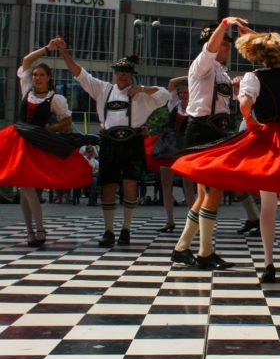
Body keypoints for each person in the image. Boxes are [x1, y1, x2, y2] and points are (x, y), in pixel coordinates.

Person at [172, 30, 280, 282]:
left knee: (254, 201)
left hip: (256, 136)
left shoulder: (246, 76)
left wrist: (247, 117)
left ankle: (261, 261)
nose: (229, 47)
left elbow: (243, 103)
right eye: (224, 44)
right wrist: (258, 36)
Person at [57, 39, 169, 247]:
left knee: (130, 185)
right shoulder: (103, 89)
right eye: (119, 71)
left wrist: (143, 88)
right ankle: (108, 231)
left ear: (132, 74)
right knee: (107, 187)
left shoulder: (142, 95)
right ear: (114, 73)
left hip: (132, 142)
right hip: (109, 142)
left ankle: (126, 229)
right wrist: (64, 53)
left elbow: (165, 94)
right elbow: (79, 73)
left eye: (126, 71)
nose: (123, 75)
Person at [0, 39, 92, 246]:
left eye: (41, 75)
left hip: (35, 143)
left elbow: (66, 121)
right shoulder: (27, 90)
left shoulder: (55, 98)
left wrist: (50, 129)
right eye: (35, 75)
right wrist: (48, 49)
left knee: (27, 188)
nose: (37, 78)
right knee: (24, 188)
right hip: (18, 140)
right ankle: (32, 231)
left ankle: (38, 230)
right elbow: (26, 60)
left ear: (49, 78)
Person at [170, 18, 245, 271]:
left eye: (227, 44)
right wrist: (224, 24)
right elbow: (210, 50)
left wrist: (235, 88)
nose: (227, 47)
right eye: (224, 43)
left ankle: (181, 249)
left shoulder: (220, 71)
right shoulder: (202, 63)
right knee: (213, 193)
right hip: (202, 131)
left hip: (216, 132)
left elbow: (222, 99)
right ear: (210, 44)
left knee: (205, 196)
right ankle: (205, 253)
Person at [150, 76, 195, 233]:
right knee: (166, 183)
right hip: (168, 145)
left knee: (188, 184)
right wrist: (190, 75)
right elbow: (171, 82)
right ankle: (169, 221)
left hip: (184, 147)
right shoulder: (173, 103)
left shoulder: (196, 107)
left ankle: (192, 221)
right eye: (181, 92)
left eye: (186, 92)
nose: (183, 94)